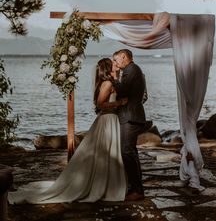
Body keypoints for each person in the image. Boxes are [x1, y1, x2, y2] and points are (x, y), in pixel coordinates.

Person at [8, 58, 127, 204]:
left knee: (108, 154)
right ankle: (101, 186)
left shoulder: (112, 82)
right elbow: (101, 104)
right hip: (107, 120)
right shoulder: (107, 84)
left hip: (111, 120)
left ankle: (108, 185)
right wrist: (119, 102)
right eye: (113, 63)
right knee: (104, 153)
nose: (116, 64)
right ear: (108, 68)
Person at [112, 49, 148, 201]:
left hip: (130, 117)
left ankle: (137, 190)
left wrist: (114, 78)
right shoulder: (132, 70)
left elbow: (122, 90)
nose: (115, 63)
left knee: (126, 152)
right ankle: (135, 186)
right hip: (131, 116)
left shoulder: (131, 69)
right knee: (131, 151)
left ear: (124, 57)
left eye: (116, 59)